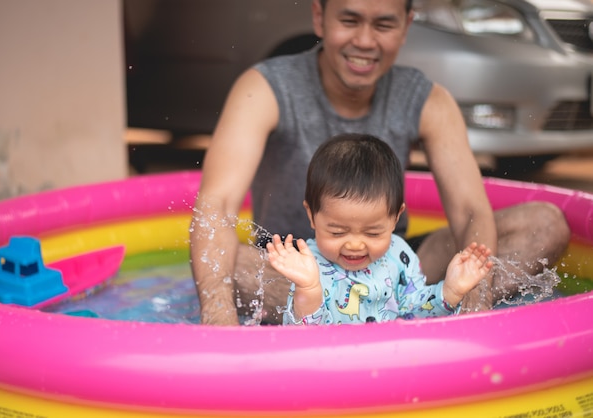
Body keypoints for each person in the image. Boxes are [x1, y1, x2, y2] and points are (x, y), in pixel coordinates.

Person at [189, 0, 570, 326]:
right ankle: (352, 313)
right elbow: (216, 206)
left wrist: (475, 304)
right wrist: (219, 319)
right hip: (291, 267)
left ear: (406, 26)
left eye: (384, 24)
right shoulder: (266, 88)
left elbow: (471, 209)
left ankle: (422, 304)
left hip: (394, 265)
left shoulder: (426, 99)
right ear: (320, 17)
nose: (365, 41)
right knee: (228, 263)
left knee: (544, 225)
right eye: (350, 20)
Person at [266, 134, 493, 325]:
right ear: (311, 216)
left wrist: (450, 292)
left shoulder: (399, 255)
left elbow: (415, 312)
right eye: (337, 232)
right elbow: (303, 338)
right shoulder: (309, 265)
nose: (354, 244)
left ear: (395, 218)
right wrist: (308, 289)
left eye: (373, 233)